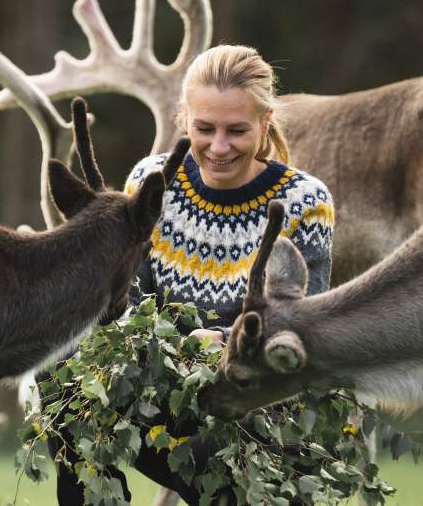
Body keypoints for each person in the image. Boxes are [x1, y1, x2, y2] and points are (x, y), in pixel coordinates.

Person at [52, 44, 335, 505]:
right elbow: (125, 306)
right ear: (184, 119)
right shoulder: (153, 181)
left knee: (218, 462)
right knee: (67, 395)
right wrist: (181, 348)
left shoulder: (305, 201)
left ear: (264, 124)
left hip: (255, 409)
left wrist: (223, 344)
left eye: (236, 131)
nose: (218, 147)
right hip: (161, 396)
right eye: (205, 128)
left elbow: (300, 330)